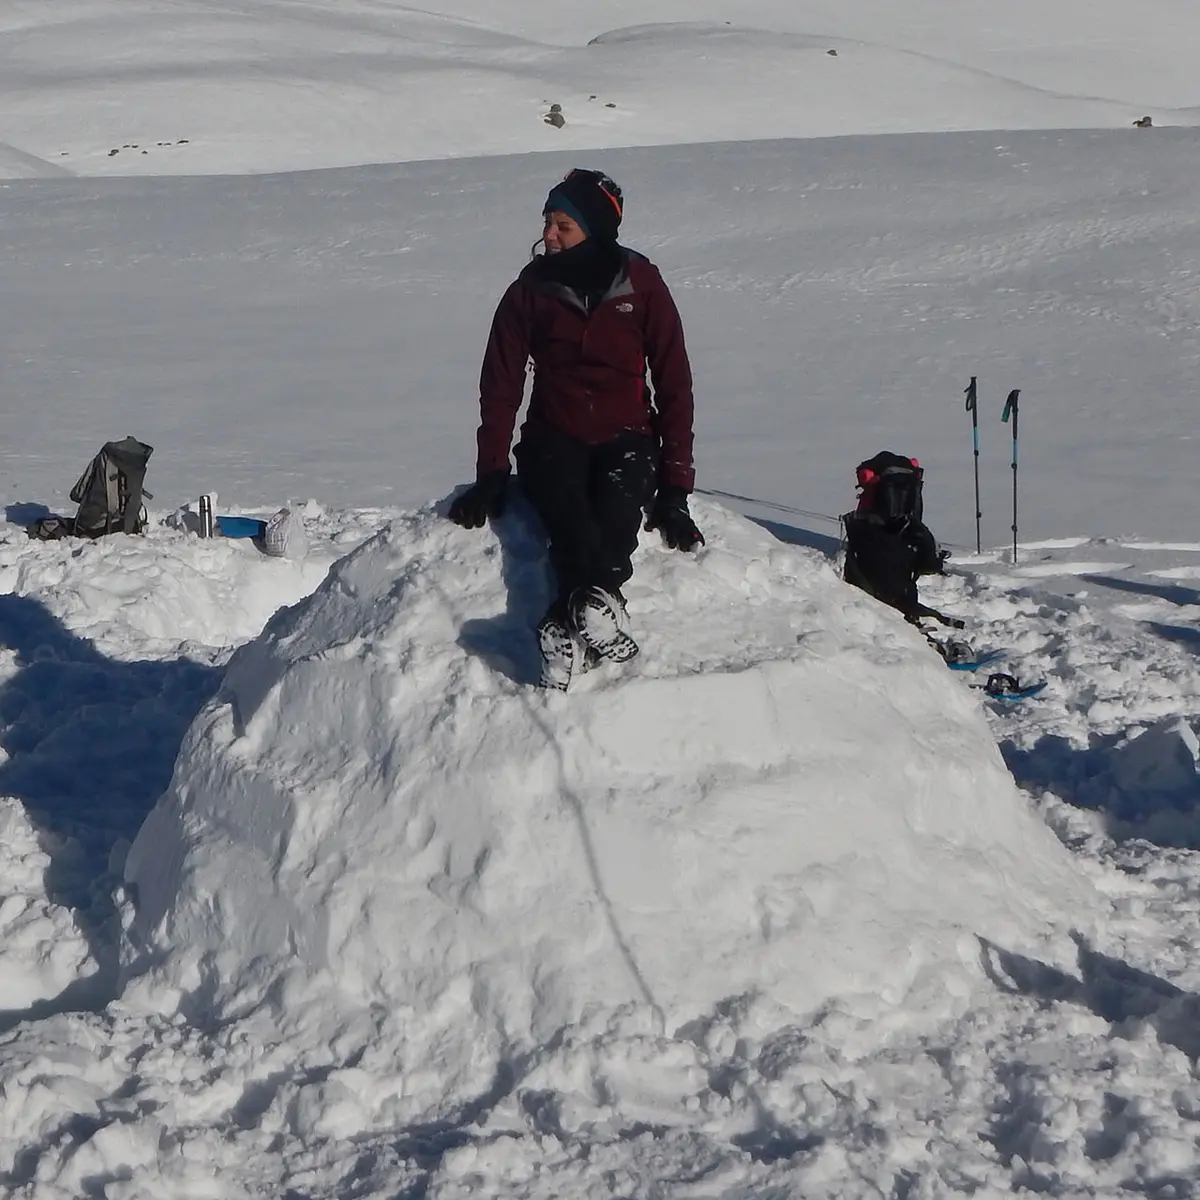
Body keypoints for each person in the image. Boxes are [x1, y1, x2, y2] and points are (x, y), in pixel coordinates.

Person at [449, 167, 703, 688]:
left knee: (616, 514)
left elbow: (674, 382)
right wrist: (491, 473)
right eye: (547, 222)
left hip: (628, 437)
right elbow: (500, 385)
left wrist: (675, 489)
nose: (549, 235)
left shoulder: (641, 283)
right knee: (568, 519)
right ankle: (597, 613)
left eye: (563, 225)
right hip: (551, 438)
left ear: (595, 228)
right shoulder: (529, 291)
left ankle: (567, 630)